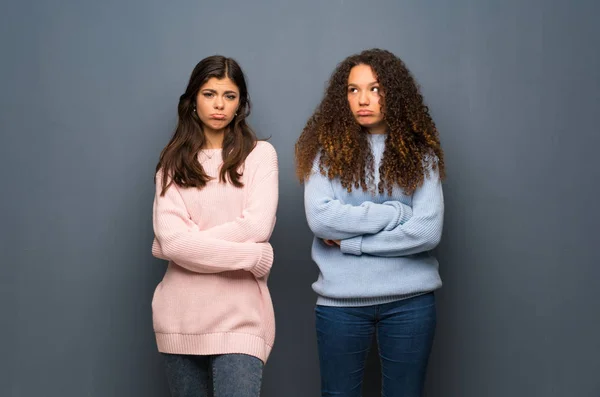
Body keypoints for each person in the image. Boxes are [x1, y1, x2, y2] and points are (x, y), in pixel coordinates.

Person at [295, 48, 445, 397]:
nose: (363, 99)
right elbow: (321, 219)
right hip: (340, 302)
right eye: (352, 89)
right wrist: (395, 213)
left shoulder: (422, 155)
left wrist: (353, 243)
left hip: (411, 301)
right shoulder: (322, 154)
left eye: (375, 89)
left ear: (395, 94)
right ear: (341, 96)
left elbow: (426, 232)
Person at [151, 55, 278, 397]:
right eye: (209, 94)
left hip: (241, 317)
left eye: (230, 95)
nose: (219, 104)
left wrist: (177, 246)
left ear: (240, 104)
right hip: (179, 317)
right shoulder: (172, 162)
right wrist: (250, 257)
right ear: (193, 100)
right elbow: (174, 242)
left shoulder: (260, 155)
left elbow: (257, 227)